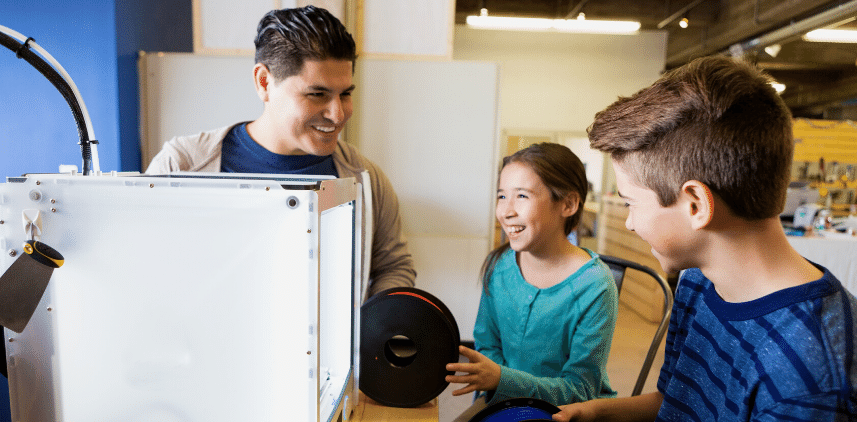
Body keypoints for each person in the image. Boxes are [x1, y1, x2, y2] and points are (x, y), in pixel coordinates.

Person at [553, 56, 857, 422]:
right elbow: (674, 402)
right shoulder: (698, 280)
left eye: (632, 203)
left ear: (696, 204)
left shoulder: (810, 378)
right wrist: (595, 412)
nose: (630, 223)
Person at [145, 6, 415, 298]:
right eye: (317, 94)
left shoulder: (365, 178)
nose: (338, 115)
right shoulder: (182, 165)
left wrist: (370, 327)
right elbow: (142, 260)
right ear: (264, 82)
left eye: (346, 94)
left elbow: (394, 266)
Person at [447, 143, 619, 421]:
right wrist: (499, 383)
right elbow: (488, 346)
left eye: (522, 196)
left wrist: (502, 379)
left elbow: (581, 390)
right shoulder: (499, 265)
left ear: (568, 204)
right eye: (501, 196)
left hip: (566, 413)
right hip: (504, 404)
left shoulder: (595, 285)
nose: (505, 211)